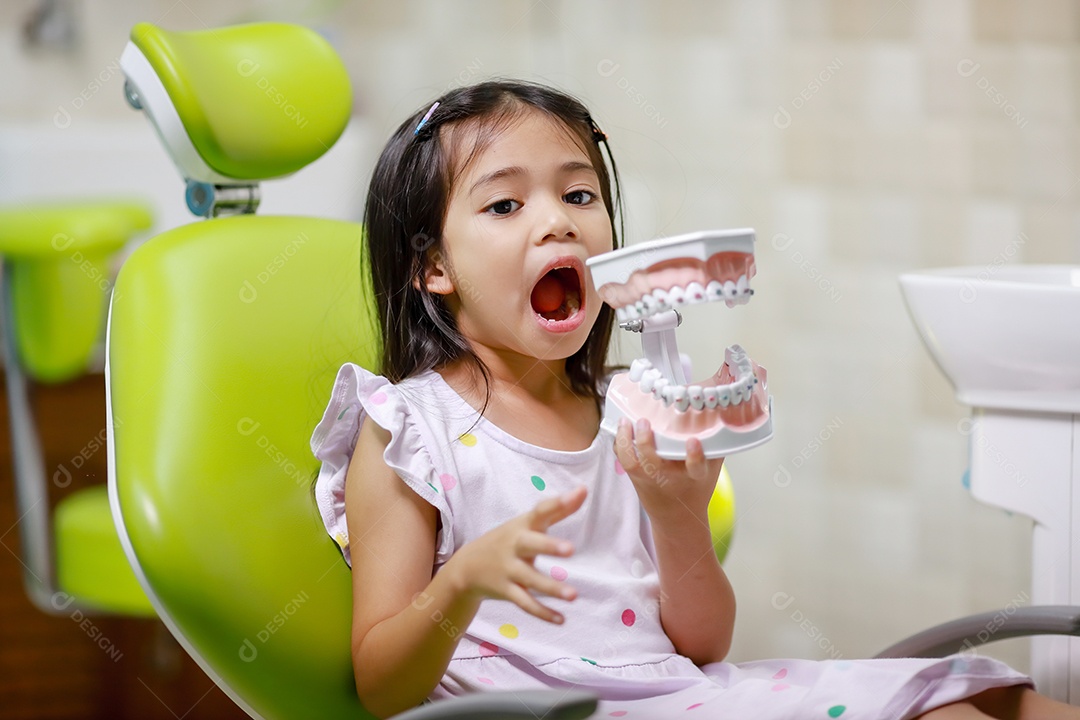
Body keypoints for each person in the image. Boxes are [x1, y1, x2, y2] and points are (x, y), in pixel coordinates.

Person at [312, 80, 1075, 719]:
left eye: (579, 193)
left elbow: (702, 647)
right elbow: (382, 688)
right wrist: (462, 582)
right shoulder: (410, 433)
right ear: (433, 268)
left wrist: (679, 520)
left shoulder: (627, 408)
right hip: (566, 710)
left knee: (998, 701)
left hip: (680, 693)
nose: (558, 222)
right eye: (505, 205)